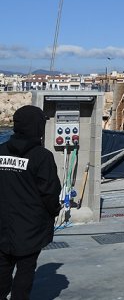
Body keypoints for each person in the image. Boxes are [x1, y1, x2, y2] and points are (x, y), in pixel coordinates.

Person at [0, 105, 61, 300]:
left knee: (2, 270)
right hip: (30, 228)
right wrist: (54, 211)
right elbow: (50, 192)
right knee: (25, 272)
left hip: (2, 226)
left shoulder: (0, 151)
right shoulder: (42, 156)